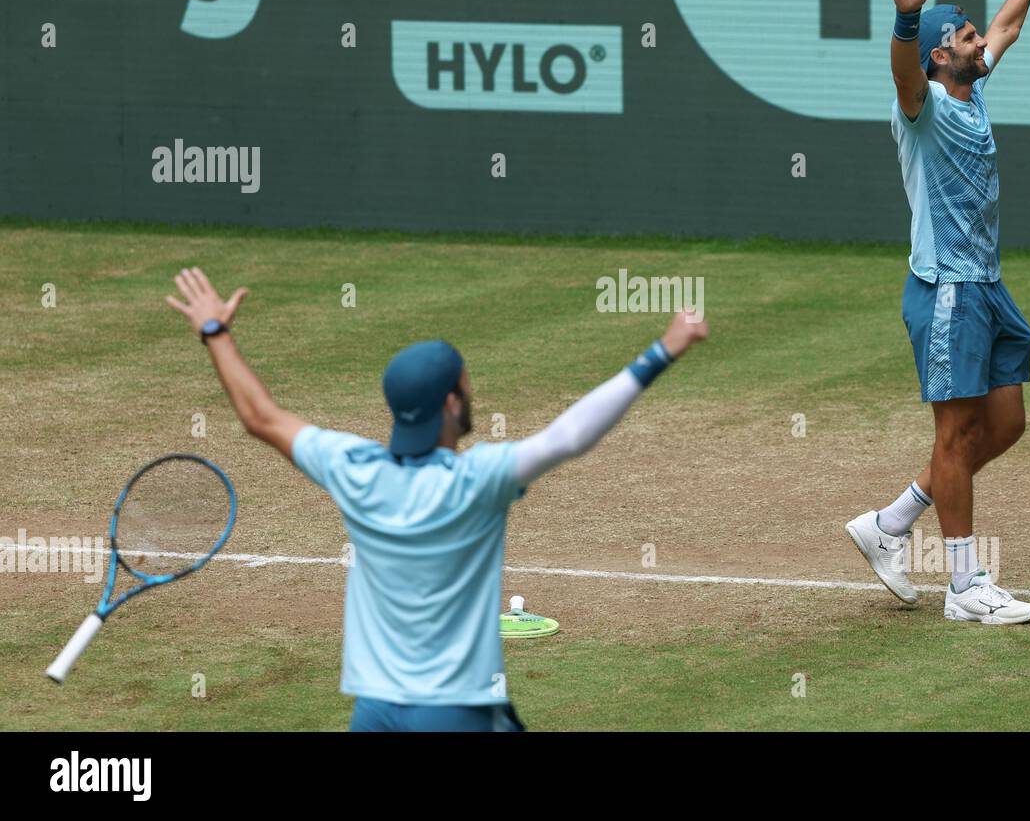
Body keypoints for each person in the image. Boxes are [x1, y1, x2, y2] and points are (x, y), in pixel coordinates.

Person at [165, 266, 708, 728]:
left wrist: (215, 331)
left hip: (374, 711)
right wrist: (662, 351)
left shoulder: (353, 469)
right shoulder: (477, 481)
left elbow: (261, 417)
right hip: (455, 711)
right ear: (451, 402)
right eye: (466, 385)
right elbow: (568, 437)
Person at [846, 0, 1030, 625]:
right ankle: (963, 586)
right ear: (939, 55)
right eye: (968, 37)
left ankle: (889, 524)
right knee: (953, 436)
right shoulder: (921, 107)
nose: (984, 41)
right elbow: (903, 75)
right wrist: (906, 20)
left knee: (1003, 425)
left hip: (987, 287)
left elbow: (1008, 25)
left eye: (976, 34)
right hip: (945, 291)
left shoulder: (971, 87)